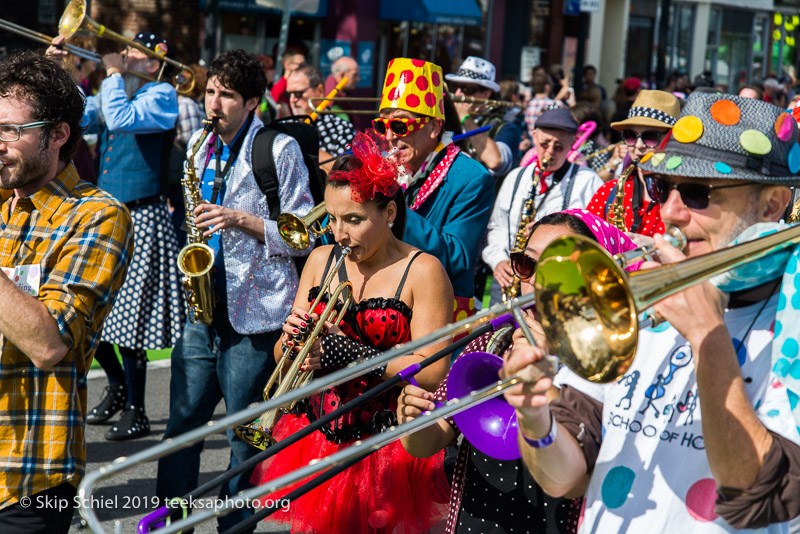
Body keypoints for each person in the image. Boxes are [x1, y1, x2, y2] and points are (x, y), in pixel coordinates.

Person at [502, 92, 800, 532]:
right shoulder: (634, 299)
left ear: (773, 205)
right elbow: (564, 479)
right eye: (663, 188)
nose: (669, 212)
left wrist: (708, 338)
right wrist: (535, 418)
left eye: (698, 193)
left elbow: (758, 497)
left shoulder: (789, 320)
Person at [252, 132, 453, 533]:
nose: (338, 234)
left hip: (386, 447)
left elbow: (432, 371)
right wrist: (294, 344)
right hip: (319, 437)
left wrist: (344, 353)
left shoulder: (424, 271)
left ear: (390, 213)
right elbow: (283, 355)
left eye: (354, 220)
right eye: (332, 218)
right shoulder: (320, 259)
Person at [399, 209, 643, 534]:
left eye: (559, 271)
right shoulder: (492, 339)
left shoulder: (605, 363)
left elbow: (584, 475)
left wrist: (551, 369)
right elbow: (432, 439)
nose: (536, 282)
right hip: (476, 517)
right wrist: (413, 423)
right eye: (527, 265)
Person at [155, 48, 315, 533]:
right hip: (204, 312)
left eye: (226, 95)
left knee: (245, 440)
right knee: (180, 427)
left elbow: (306, 231)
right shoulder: (199, 148)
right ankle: (169, 522)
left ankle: (235, 527)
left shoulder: (278, 149)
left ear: (251, 102)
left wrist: (240, 220)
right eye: (210, 92)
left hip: (257, 317)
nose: (214, 104)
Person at [0, 51, 133, 533]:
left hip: (25, 478)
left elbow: (49, 343)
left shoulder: (97, 215)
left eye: (11, 131)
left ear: (57, 135)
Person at [80, 32, 185, 441]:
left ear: (154, 63)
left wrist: (108, 73)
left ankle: (139, 410)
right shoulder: (115, 91)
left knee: (131, 324)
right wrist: (68, 69)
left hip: (143, 215)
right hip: (109, 216)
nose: (124, 56)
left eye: (133, 53)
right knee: (92, 313)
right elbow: (75, 114)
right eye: (124, 51)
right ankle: (119, 387)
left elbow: (120, 118)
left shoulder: (161, 96)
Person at [376, 57, 494, 321]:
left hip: (435, 316)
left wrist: (390, 199)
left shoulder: (472, 178)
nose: (389, 136)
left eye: (399, 124)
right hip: (380, 306)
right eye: (382, 125)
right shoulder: (388, 165)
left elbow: (455, 259)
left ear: (433, 127)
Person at [482, 108, 604, 306]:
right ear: (534, 136)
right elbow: (498, 227)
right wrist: (498, 261)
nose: (549, 152)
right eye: (544, 144)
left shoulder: (588, 181)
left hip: (557, 285)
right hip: (507, 280)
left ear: (572, 144)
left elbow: (596, 238)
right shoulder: (516, 177)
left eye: (559, 147)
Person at [585, 89, 680, 236]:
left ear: (673, 140)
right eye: (631, 136)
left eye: (650, 136)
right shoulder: (609, 192)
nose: (639, 145)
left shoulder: (685, 200)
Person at [446, 56, 520, 178]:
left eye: (467, 89)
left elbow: (495, 161)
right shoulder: (451, 121)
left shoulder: (507, 128)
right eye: (455, 87)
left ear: (486, 94)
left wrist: (465, 117)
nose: (458, 94)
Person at [287, 64, 355, 167]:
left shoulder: (341, 128)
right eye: (288, 94)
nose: (292, 100)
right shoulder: (285, 126)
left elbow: (346, 173)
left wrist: (306, 144)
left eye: (298, 93)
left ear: (320, 91)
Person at [524, 71, 566, 140]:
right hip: (549, 144)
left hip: (532, 145)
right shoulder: (557, 104)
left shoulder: (528, 105)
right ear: (547, 87)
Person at [270, 48, 306, 118]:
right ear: (287, 65)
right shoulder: (279, 88)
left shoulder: (299, 84)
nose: (304, 67)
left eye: (304, 64)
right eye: (300, 64)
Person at [324, 56, 361, 122]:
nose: (358, 79)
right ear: (342, 75)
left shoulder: (345, 92)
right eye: (354, 75)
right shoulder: (330, 95)